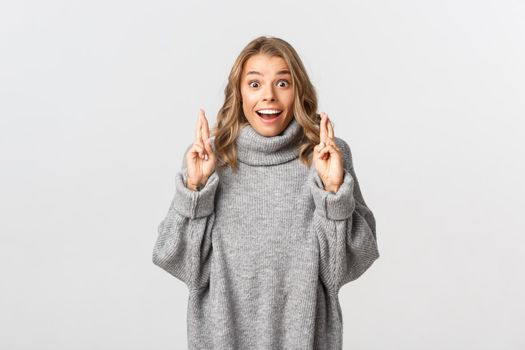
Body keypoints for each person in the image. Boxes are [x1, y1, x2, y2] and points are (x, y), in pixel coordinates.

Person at [152, 36, 380, 350]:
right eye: (255, 84)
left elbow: (341, 270)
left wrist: (332, 194)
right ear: (239, 93)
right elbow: (180, 262)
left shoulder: (326, 156)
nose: (268, 96)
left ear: (298, 91)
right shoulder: (210, 158)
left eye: (282, 83)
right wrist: (195, 193)